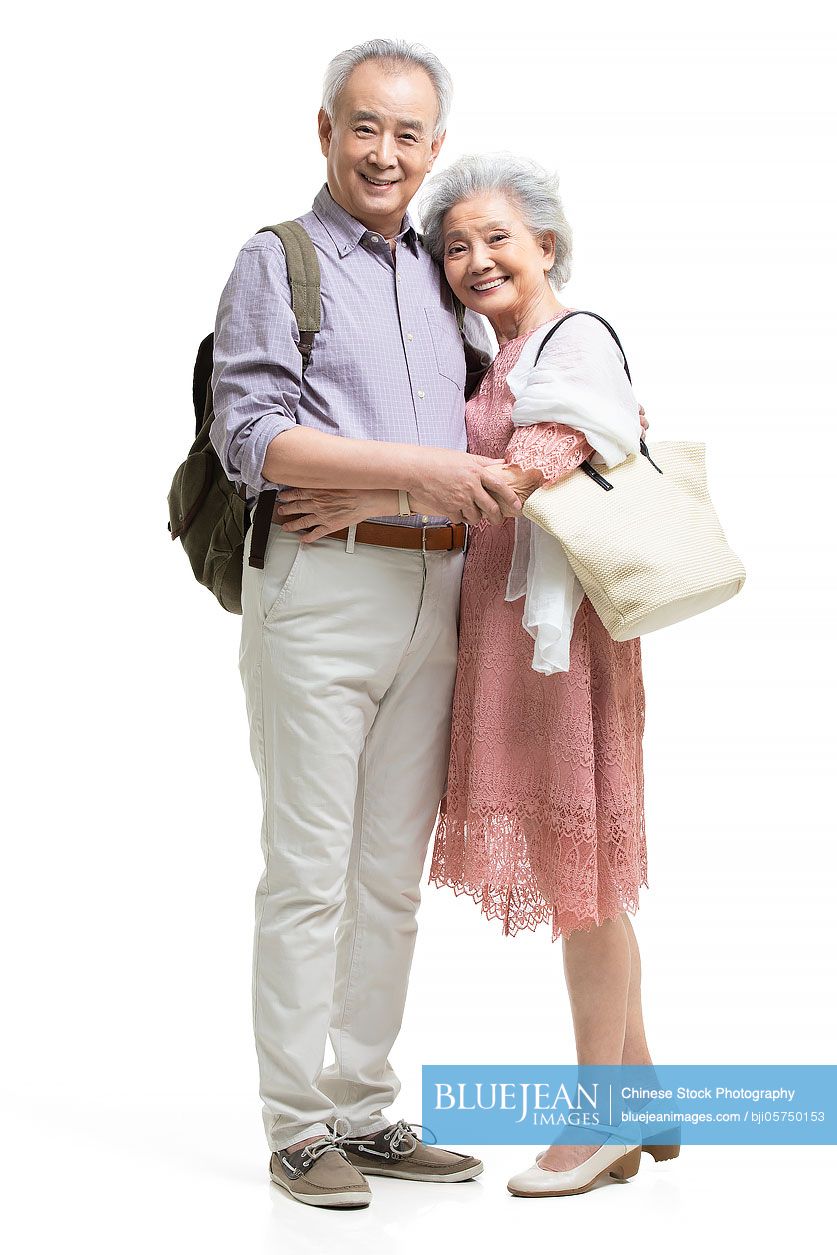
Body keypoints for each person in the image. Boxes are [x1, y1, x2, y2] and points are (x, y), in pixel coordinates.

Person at [293, 153, 666, 1199]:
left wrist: (366, 501)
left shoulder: (572, 342)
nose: (473, 258)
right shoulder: (498, 353)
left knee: (582, 886)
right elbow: (484, 480)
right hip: (520, 636)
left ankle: (600, 1124)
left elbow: (526, 468)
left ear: (548, 244)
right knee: (580, 868)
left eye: (498, 236)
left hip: (560, 645)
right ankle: (647, 1098)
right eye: (454, 244)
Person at [210, 40, 512, 1208]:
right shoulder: (277, 260)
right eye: (365, 127)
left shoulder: (446, 274)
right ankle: (297, 1125)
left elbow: (480, 445)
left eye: (409, 134)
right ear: (326, 128)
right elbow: (255, 441)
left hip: (439, 595)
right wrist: (419, 478)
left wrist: (412, 484)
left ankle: (365, 1107)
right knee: (309, 873)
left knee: (391, 873)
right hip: (320, 590)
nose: (385, 152)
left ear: (434, 148)